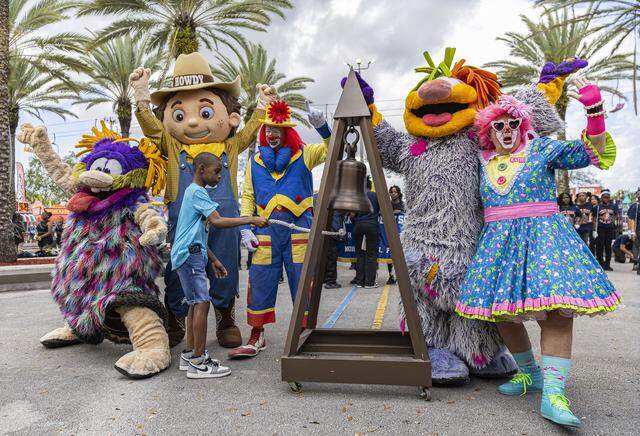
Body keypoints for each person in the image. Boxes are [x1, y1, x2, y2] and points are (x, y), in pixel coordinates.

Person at [456, 79, 620, 428]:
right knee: (503, 315)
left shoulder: (542, 149)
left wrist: (594, 112)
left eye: (512, 123)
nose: (505, 130)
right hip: (498, 246)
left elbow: (591, 152)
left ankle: (554, 393)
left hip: (545, 239)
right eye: (498, 125)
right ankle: (531, 374)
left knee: (556, 313)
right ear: (488, 131)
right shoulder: (479, 160)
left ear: (523, 125)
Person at [130, 52, 276, 348]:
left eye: (206, 112)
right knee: (178, 267)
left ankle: (225, 317)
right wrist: (141, 94)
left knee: (225, 267)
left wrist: (263, 106)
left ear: (229, 116)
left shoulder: (230, 146)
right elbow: (150, 127)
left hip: (224, 221)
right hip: (182, 223)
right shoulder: (171, 144)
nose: (193, 122)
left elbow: (250, 132)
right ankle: (176, 315)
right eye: (180, 115)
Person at [230, 100, 330, 359]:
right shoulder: (255, 160)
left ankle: (304, 332)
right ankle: (257, 334)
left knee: (301, 282)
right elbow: (248, 196)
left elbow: (334, 150)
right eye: (269, 130)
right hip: (265, 230)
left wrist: (323, 129)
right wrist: (245, 228)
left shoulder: (304, 154)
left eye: (278, 130)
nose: (272, 134)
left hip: (298, 229)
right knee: (260, 281)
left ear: (288, 132)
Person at [172, 152, 267, 378]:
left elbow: (199, 233)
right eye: (216, 172)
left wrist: (213, 260)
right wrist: (251, 219)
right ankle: (199, 361)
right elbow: (218, 221)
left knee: (195, 304)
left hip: (189, 253)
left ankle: (189, 355)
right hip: (190, 255)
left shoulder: (191, 192)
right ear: (201, 169)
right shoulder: (198, 192)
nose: (219, 177)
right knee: (202, 303)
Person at [349, 176, 380, 288]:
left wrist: (356, 220)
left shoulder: (357, 196)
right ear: (370, 185)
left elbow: (352, 214)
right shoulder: (376, 195)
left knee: (360, 254)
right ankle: (369, 283)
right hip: (372, 225)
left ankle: (359, 281)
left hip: (359, 226)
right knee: (371, 254)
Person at [383, 185, 406, 285]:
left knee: (401, 256)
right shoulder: (388, 204)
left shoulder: (403, 205)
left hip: (401, 234)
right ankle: (391, 276)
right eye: (391, 192)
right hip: (390, 233)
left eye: (395, 192)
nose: (393, 194)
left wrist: (400, 212)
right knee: (389, 256)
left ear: (399, 193)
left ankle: (401, 276)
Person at [595, 189, 619, 271]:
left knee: (608, 246)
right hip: (600, 228)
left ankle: (607, 264)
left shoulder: (613, 206)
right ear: (601, 197)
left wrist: (613, 219)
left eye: (607, 197)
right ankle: (601, 263)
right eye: (604, 197)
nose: (606, 198)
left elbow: (616, 215)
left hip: (609, 228)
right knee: (600, 246)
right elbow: (594, 218)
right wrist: (594, 229)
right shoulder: (598, 206)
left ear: (609, 198)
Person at [627, 189, 640, 271]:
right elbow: (631, 219)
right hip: (638, 229)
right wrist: (632, 231)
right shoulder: (635, 206)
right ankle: (636, 263)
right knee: (636, 246)